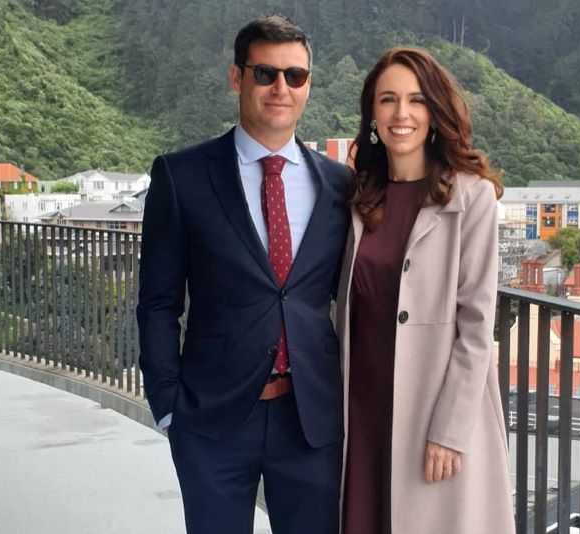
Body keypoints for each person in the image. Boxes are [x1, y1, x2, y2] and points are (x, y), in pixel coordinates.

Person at [137, 15, 350, 534]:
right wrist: (168, 405)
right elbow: (158, 302)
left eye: (295, 76)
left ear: (308, 84)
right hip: (211, 423)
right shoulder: (181, 175)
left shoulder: (340, 186)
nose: (281, 88)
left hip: (310, 421)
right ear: (237, 77)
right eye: (265, 73)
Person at [335, 47, 515, 534]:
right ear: (372, 115)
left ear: (435, 112)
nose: (402, 113)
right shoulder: (358, 196)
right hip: (361, 408)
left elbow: (477, 326)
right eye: (388, 99)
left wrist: (450, 430)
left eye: (416, 100)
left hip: (432, 408)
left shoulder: (471, 196)